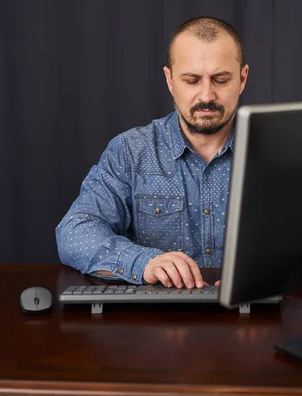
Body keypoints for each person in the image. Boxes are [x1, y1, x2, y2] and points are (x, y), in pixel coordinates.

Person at [56, 17, 249, 289]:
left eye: (220, 79)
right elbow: (74, 232)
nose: (206, 95)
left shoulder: (278, 152)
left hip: (253, 316)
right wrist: (143, 262)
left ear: (242, 79)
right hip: (158, 323)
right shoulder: (130, 152)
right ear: (170, 80)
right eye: (192, 80)